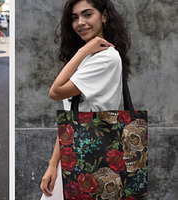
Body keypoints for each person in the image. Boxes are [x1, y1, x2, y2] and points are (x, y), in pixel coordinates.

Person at [40, 0, 131, 199]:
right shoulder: (90, 57)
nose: (80, 22)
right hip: (74, 155)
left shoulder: (105, 58)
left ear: (104, 16)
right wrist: (52, 165)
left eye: (87, 14)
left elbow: (55, 92)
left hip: (90, 159)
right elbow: (71, 119)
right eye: (75, 18)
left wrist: (83, 51)